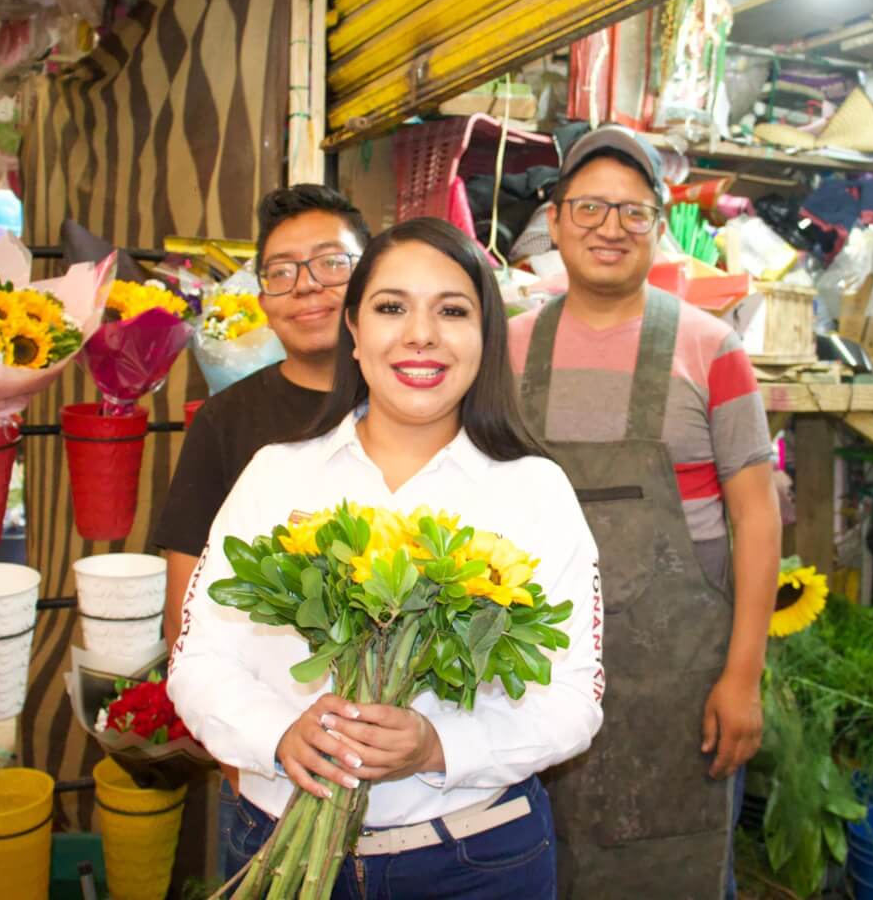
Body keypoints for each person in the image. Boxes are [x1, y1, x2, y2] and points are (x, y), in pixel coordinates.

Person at [169, 218, 602, 898]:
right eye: (391, 307)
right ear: (353, 328)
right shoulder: (276, 477)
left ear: (487, 336)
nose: (420, 335)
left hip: (473, 864)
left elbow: (574, 701)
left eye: (452, 310)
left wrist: (437, 746)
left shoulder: (533, 492)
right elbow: (198, 660)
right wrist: (278, 733)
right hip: (278, 849)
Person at [508, 126, 780, 899]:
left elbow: (757, 518)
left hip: (681, 683)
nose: (610, 228)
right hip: (532, 671)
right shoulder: (507, 349)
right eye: (589, 207)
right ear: (554, 221)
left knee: (676, 870)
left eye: (634, 212)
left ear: (659, 228)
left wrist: (743, 677)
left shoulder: (712, 348)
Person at [154, 184, 369, 642]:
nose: (307, 285)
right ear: (263, 306)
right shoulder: (224, 420)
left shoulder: (410, 407)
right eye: (282, 271)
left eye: (332, 262)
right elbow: (183, 614)